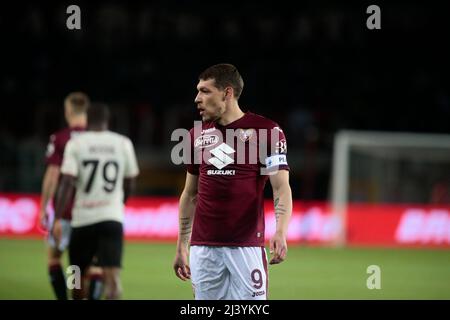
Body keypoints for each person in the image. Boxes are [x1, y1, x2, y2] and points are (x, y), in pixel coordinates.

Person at [173, 63, 292, 300]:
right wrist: (182, 245)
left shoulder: (267, 131)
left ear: (227, 93)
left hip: (246, 246)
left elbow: (281, 187)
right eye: (198, 91)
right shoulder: (195, 135)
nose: (197, 98)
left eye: (205, 91)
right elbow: (189, 194)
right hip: (203, 248)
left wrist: (281, 230)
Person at [52, 103, 139, 300]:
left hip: (82, 220)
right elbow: (131, 182)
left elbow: (66, 183)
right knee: (113, 280)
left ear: (87, 120)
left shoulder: (76, 144)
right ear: (107, 121)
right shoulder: (123, 143)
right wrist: (119, 204)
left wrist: (57, 218)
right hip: (111, 219)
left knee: (75, 274)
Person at [39, 91, 104, 300]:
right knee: (93, 265)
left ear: (67, 111)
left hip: (66, 212)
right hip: (93, 211)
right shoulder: (101, 140)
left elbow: (52, 175)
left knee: (55, 259)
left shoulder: (60, 139)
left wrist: (43, 208)